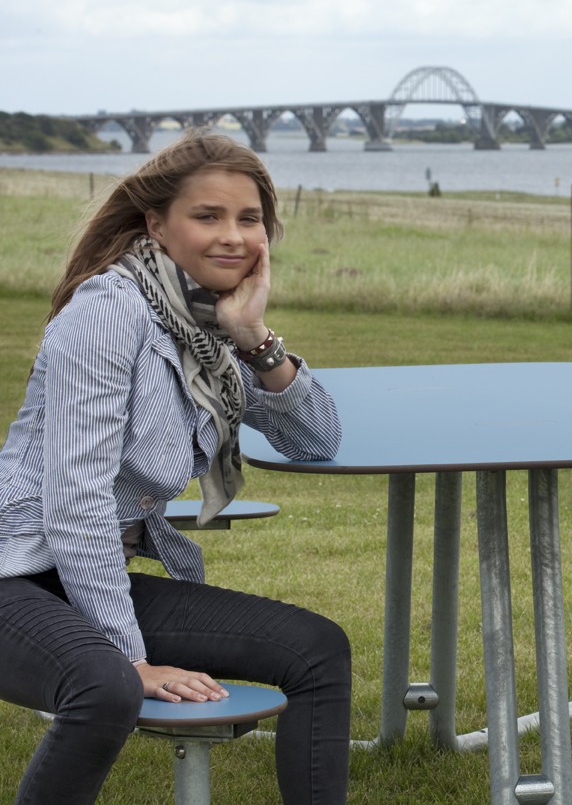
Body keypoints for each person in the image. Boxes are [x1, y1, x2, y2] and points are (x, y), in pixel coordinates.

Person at [0, 130, 351, 804]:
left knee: (317, 649)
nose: (233, 236)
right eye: (208, 215)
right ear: (156, 224)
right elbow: (76, 502)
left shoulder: (205, 328)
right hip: (14, 572)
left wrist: (255, 338)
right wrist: (131, 658)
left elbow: (317, 437)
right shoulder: (109, 311)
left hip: (75, 581)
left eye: (249, 219)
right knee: (106, 685)